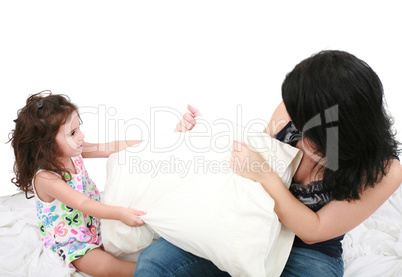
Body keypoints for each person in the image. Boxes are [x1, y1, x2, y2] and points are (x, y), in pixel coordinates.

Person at [134, 50, 402, 277]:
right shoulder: (292, 109)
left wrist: (266, 177)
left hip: (309, 254)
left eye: (314, 133)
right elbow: (250, 162)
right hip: (255, 226)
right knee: (155, 262)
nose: (302, 134)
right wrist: (205, 135)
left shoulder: (384, 170)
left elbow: (314, 231)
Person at [9, 92, 146, 277]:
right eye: (73, 133)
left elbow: (110, 147)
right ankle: (157, 272)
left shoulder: (73, 151)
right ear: (47, 145)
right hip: (72, 241)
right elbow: (83, 204)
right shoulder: (46, 178)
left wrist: (147, 144)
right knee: (103, 267)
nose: (81, 136)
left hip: (94, 222)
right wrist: (120, 214)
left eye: (78, 128)